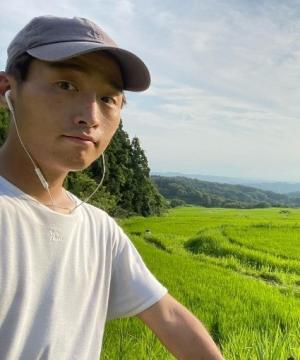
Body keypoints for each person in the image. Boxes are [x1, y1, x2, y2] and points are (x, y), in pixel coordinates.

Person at [0, 15, 224, 360]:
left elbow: (169, 317)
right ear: (7, 90)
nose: (90, 116)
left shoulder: (97, 228)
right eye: (66, 85)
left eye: (108, 98)